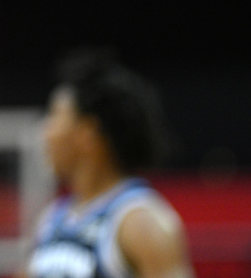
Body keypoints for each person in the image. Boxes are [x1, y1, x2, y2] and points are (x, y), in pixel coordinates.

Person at [22, 48, 194, 278]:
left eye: (55, 116)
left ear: (88, 132)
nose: (46, 132)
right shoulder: (51, 220)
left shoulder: (141, 222)